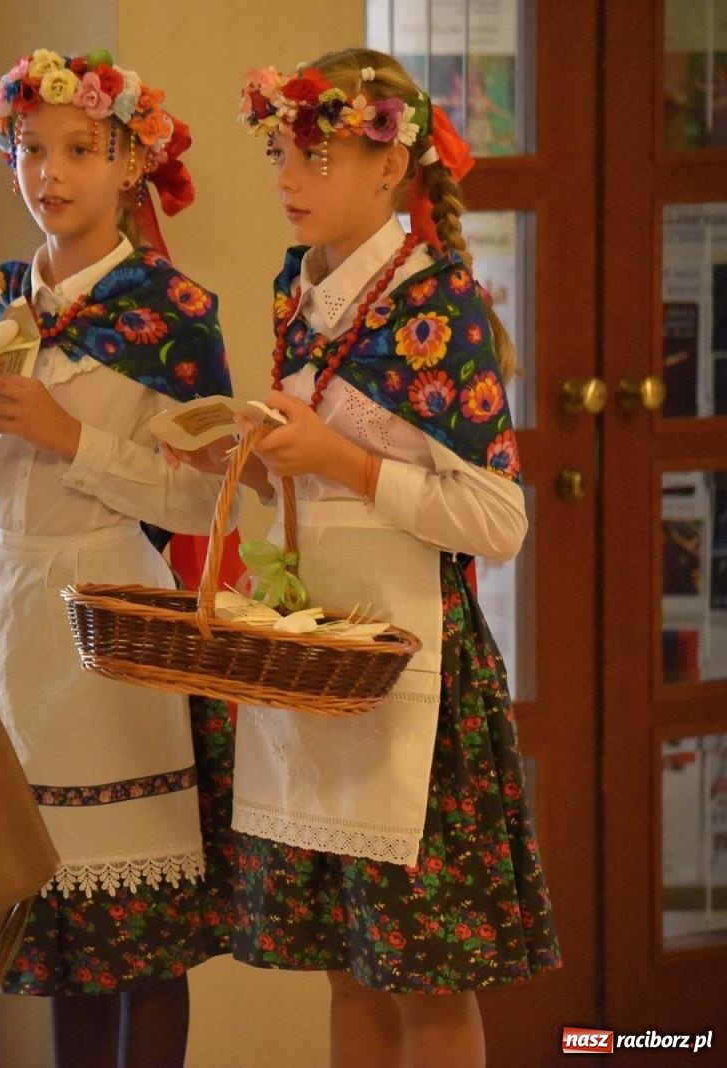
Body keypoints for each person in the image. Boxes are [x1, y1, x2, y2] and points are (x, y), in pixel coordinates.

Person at [209, 48, 559, 1066]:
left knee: (426, 975)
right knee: (346, 960)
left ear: (386, 166)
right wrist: (264, 460)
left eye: (314, 155)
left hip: (415, 675)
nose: (285, 178)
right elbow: (310, 474)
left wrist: (341, 463)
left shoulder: (437, 308)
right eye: (280, 150)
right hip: (313, 662)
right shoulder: (299, 288)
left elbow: (497, 519)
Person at [0, 48, 235, 1068]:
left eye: (78, 151)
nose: (48, 174)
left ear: (130, 164)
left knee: (139, 929)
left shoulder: (173, 313)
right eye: (29, 149)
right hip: (3, 619)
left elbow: (203, 495)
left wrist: (70, 438)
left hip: (112, 626)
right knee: (54, 925)